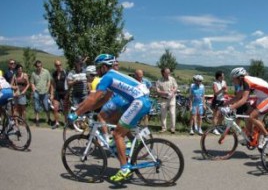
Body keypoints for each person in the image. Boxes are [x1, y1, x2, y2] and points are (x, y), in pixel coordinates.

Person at [68, 54, 151, 182]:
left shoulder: (107, 77)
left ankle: (124, 169)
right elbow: (104, 99)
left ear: (104, 67)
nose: (97, 71)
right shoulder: (113, 75)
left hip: (138, 102)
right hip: (140, 100)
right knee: (114, 119)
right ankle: (134, 142)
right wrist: (90, 108)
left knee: (117, 134)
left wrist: (77, 113)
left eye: (98, 67)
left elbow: (92, 98)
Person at [223, 67, 268, 149]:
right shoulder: (243, 82)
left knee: (252, 116)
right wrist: (224, 104)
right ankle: (249, 136)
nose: (233, 81)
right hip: (261, 98)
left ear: (239, 77)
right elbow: (237, 97)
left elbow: (243, 99)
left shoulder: (246, 81)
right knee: (247, 114)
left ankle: (267, 136)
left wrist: (230, 108)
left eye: (234, 79)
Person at [30, 60, 52, 126]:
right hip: (37, 92)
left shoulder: (46, 71)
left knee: (46, 106)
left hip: (45, 92)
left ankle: (49, 119)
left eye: (40, 66)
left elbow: (49, 81)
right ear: (35, 66)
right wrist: (34, 90)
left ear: (42, 65)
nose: (39, 67)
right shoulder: (33, 73)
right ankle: (37, 120)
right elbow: (32, 83)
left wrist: (48, 89)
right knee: (37, 106)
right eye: (37, 66)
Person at [155, 68, 178, 134]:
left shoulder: (172, 79)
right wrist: (165, 93)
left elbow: (176, 87)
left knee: (172, 113)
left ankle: (173, 128)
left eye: (169, 72)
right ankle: (163, 128)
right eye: (167, 73)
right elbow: (157, 91)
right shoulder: (159, 81)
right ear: (163, 73)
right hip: (163, 99)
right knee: (163, 115)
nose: (168, 74)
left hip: (172, 99)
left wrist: (173, 91)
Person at [50, 59, 68, 127]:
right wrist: (51, 94)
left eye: (60, 65)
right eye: (57, 65)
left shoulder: (65, 72)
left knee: (65, 108)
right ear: (55, 66)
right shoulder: (54, 73)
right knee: (55, 108)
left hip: (64, 92)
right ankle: (56, 122)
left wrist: (68, 93)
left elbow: (69, 83)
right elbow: (52, 84)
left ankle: (66, 122)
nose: (59, 66)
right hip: (57, 92)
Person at [211, 70, 228, 135]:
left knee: (222, 115)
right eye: (222, 76)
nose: (223, 77)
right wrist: (222, 90)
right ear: (218, 77)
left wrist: (225, 91)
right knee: (216, 115)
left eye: (223, 76)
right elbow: (216, 93)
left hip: (223, 100)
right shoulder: (215, 83)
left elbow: (226, 91)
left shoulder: (224, 82)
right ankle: (214, 129)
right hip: (217, 100)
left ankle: (219, 127)